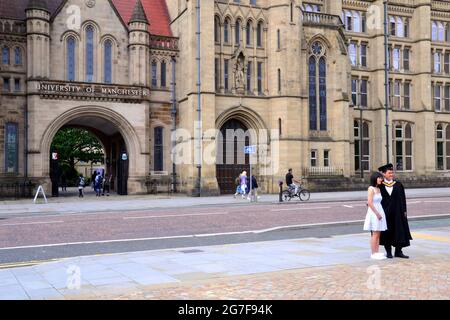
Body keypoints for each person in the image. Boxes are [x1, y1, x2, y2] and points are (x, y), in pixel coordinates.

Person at [378, 163, 412, 259]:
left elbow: (403, 198)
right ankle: (388, 252)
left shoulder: (398, 184)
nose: (391, 174)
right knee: (387, 232)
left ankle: (398, 251)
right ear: (384, 174)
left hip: (398, 212)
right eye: (389, 173)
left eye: (392, 173)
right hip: (385, 212)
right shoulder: (380, 186)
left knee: (399, 231)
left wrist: (404, 211)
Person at [363, 172, 388, 260]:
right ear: (375, 178)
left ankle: (377, 252)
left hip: (379, 210)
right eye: (379, 178)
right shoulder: (371, 188)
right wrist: (377, 213)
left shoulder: (378, 188)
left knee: (378, 234)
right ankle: (373, 253)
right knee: (375, 234)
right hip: (374, 212)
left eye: (381, 178)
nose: (381, 179)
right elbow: (369, 202)